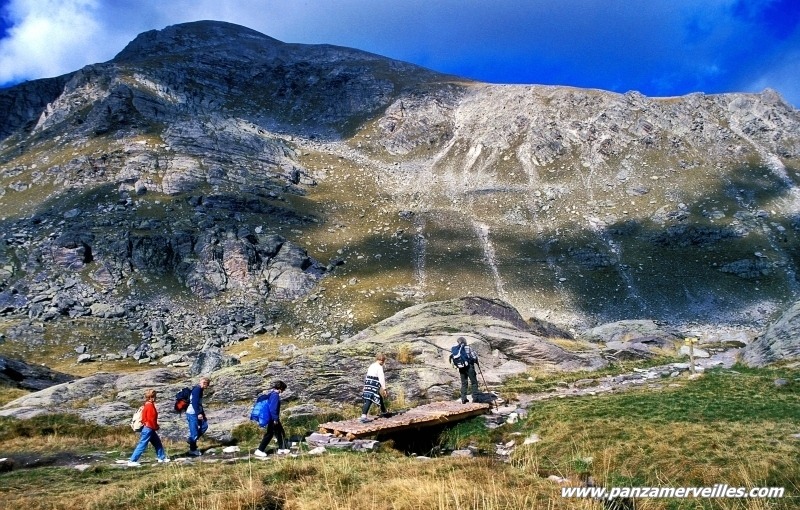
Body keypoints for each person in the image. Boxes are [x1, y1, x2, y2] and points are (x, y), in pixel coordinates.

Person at [128, 389, 169, 466]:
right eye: (155, 396)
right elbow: (151, 419)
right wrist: (156, 427)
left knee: (157, 443)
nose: (156, 398)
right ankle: (132, 460)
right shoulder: (150, 406)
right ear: (151, 397)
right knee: (142, 444)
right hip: (149, 428)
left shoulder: (146, 405)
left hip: (148, 428)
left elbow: (144, 418)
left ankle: (162, 458)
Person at [253, 380, 289, 457]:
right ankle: (259, 450)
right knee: (269, 434)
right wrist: (275, 419)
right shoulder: (275, 395)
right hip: (273, 418)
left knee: (280, 432)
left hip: (272, 417)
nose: (283, 391)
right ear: (281, 388)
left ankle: (282, 449)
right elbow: (273, 408)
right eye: (283, 389)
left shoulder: (271, 393)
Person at [449, 336, 479, 403]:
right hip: (469, 367)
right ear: (465, 341)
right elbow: (474, 357)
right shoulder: (468, 347)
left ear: (458, 342)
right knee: (474, 382)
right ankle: (475, 398)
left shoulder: (456, 349)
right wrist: (476, 361)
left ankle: (463, 398)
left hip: (461, 367)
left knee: (464, 383)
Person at [186, 376, 210, 456]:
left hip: (195, 412)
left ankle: (191, 440)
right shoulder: (197, 389)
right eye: (205, 384)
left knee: (204, 426)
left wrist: (202, 414)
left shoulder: (199, 389)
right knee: (194, 431)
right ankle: (193, 449)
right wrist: (198, 413)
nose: (206, 386)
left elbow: (199, 404)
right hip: (192, 413)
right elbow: (195, 403)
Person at [360, 353, 387, 422]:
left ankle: (384, 411)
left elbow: (367, 376)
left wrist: (365, 385)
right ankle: (363, 416)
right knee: (369, 399)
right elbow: (381, 378)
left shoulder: (372, 365)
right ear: (382, 360)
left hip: (368, 384)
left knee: (378, 396)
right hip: (373, 385)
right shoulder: (379, 367)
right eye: (383, 361)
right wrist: (384, 389)